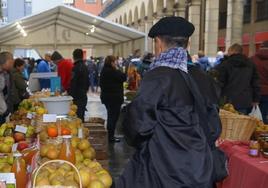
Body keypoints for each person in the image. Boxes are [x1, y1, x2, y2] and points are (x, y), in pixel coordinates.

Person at [117, 16, 216, 188]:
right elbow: (214, 124)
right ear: (187, 44)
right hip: (198, 167)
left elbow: (138, 126)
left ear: (159, 43)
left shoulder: (157, 77)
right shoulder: (199, 77)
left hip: (164, 169)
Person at [215, 43, 260, 115]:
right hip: (245, 100)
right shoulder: (250, 64)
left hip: (227, 101)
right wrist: (256, 99)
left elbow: (219, 83)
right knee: (242, 123)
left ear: (232, 51)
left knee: (228, 123)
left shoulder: (225, 64)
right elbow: (255, 82)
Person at [100, 56, 126, 142]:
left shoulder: (104, 71)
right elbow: (123, 77)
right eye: (115, 62)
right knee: (113, 117)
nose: (116, 63)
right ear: (111, 62)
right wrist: (118, 69)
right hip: (114, 98)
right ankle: (111, 137)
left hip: (107, 98)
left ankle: (110, 135)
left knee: (111, 116)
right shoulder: (112, 71)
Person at [69, 49, 89, 122]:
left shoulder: (75, 68)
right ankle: (81, 132)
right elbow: (88, 82)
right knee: (81, 117)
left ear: (74, 56)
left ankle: (79, 132)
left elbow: (73, 83)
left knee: (76, 118)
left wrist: (70, 96)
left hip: (77, 96)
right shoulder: (85, 67)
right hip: (83, 95)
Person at [251, 41, 268, 123]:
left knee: (253, 115)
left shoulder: (252, 59)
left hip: (253, 91)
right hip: (267, 93)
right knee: (264, 115)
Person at [0, 52, 14, 123]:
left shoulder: (3, 73)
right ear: (7, 61)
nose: (12, 65)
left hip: (3, 111)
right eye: (11, 62)